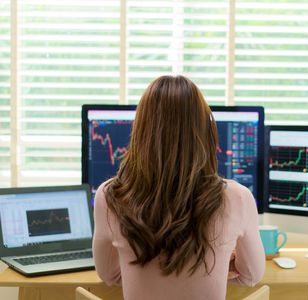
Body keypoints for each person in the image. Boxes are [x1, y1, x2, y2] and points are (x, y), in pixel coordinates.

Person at [93, 75, 265, 300]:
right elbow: (251, 276)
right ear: (205, 131)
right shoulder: (237, 198)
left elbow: (109, 275)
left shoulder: (110, 196)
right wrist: (215, 266)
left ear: (141, 131)